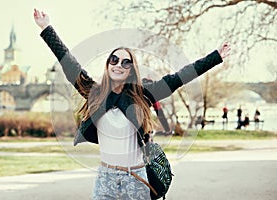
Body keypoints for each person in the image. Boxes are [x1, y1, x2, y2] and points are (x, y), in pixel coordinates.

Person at [33, 8, 231, 200]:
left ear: (131, 69)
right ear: (108, 64)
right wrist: (46, 28)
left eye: (126, 62)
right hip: (105, 178)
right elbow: (69, 63)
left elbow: (181, 77)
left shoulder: (143, 94)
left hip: (135, 179)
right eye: (114, 60)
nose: (119, 65)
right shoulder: (95, 94)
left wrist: (215, 57)